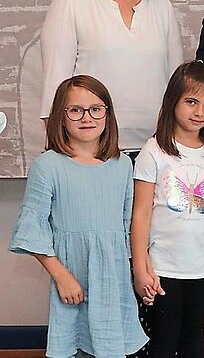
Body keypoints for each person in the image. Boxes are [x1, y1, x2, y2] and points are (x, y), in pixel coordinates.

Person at [9, 75, 148, 357]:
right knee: (76, 345)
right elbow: (33, 228)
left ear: (107, 114)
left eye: (96, 109)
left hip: (113, 279)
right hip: (72, 276)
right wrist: (62, 277)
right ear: (61, 116)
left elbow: (126, 228)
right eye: (75, 110)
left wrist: (140, 271)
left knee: (110, 347)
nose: (87, 117)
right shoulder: (47, 166)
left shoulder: (121, 165)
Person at [40, 0, 183, 156]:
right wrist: (63, 150)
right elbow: (56, 81)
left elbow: (176, 87)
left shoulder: (162, 7)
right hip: (91, 148)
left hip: (154, 149)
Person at [130, 61, 204, 358]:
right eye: (191, 102)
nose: (199, 112)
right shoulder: (153, 151)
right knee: (164, 342)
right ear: (173, 101)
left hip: (201, 268)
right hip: (162, 269)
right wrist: (140, 266)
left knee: (194, 339)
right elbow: (140, 213)